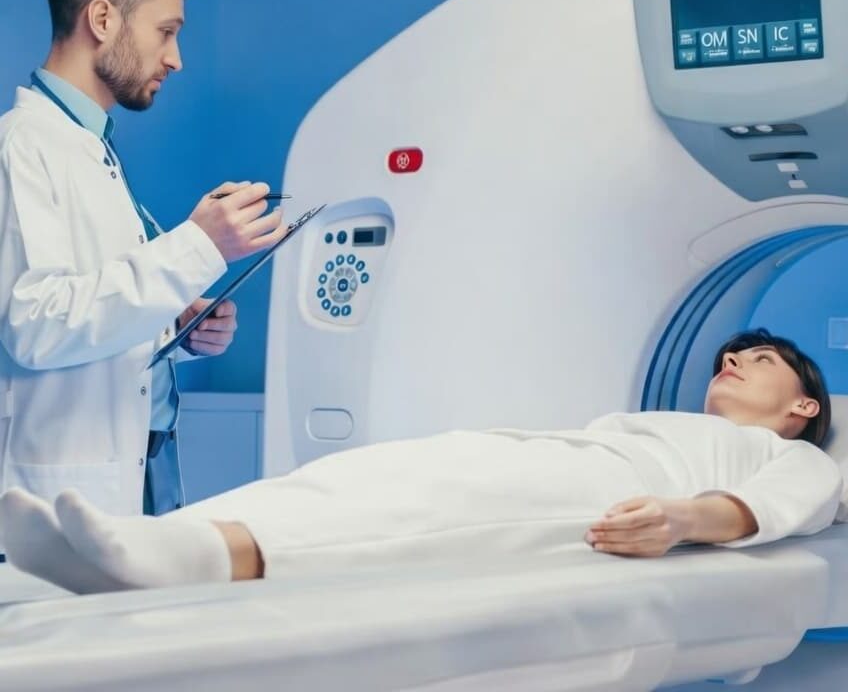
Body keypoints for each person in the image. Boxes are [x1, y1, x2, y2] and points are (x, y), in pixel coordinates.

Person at [0, 329, 842, 594]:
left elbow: (771, 508)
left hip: (605, 496)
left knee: (411, 511)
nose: (732, 360)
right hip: (551, 455)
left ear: (804, 406)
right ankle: (148, 539)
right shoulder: (662, 418)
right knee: (356, 477)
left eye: (761, 360)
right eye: (730, 355)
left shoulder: (790, 455)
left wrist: (679, 520)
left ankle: (188, 561)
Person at [0, 0, 287, 524]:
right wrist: (198, 245)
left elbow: (93, 310)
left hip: (134, 473)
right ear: (102, 18)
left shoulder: (91, 150)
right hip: (54, 498)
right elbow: (35, 325)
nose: (176, 59)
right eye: (166, 31)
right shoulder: (22, 146)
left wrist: (174, 326)